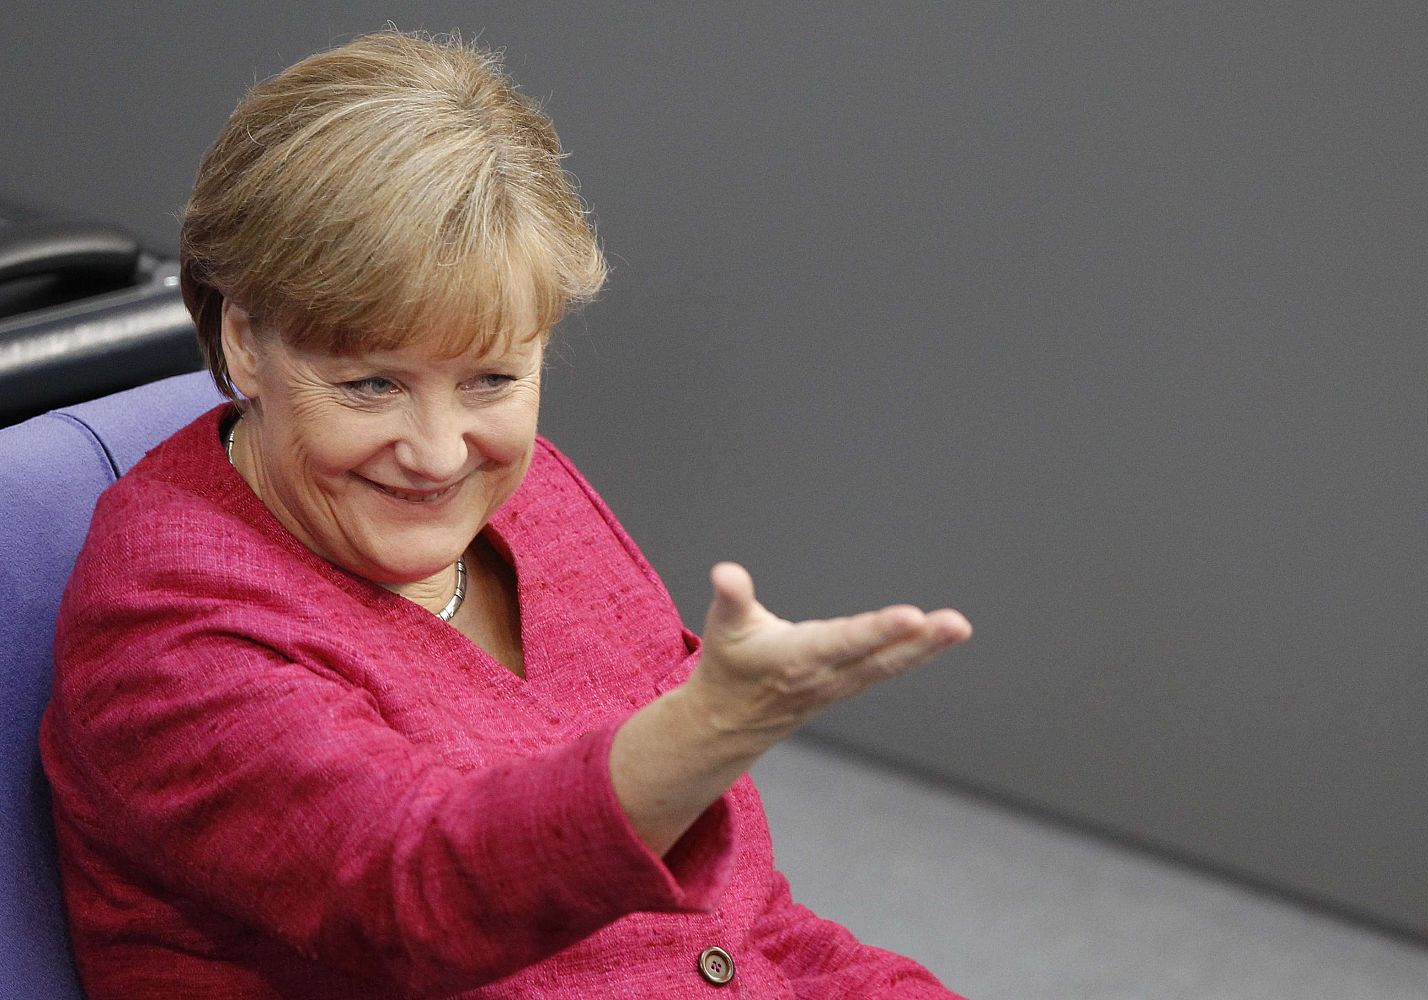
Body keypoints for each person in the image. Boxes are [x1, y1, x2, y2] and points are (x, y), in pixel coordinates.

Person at [40, 29, 972, 1000]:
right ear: (244, 339)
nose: (440, 452)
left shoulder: (536, 497)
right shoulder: (166, 615)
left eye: (490, 378)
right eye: (371, 384)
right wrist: (702, 733)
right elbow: (413, 895)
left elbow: (744, 925)